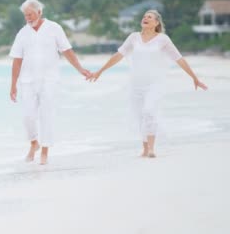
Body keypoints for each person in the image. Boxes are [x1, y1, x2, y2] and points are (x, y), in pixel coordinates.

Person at [88, 10, 208, 158]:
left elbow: (179, 59)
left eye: (149, 17)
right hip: (136, 84)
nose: (145, 18)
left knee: (149, 110)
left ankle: (151, 149)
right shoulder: (133, 37)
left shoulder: (162, 39)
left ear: (156, 23)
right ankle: (145, 149)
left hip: (155, 84)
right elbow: (118, 55)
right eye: (144, 16)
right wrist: (100, 71)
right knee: (140, 116)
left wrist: (194, 77)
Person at [9, 0, 91, 165]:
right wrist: (13, 85)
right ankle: (34, 143)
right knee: (28, 116)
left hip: (49, 80)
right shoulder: (23, 33)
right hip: (27, 82)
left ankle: (45, 151)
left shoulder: (54, 28)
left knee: (47, 116)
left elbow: (67, 51)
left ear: (39, 12)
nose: (28, 18)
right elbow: (17, 60)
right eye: (26, 16)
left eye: (31, 14)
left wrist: (80, 69)